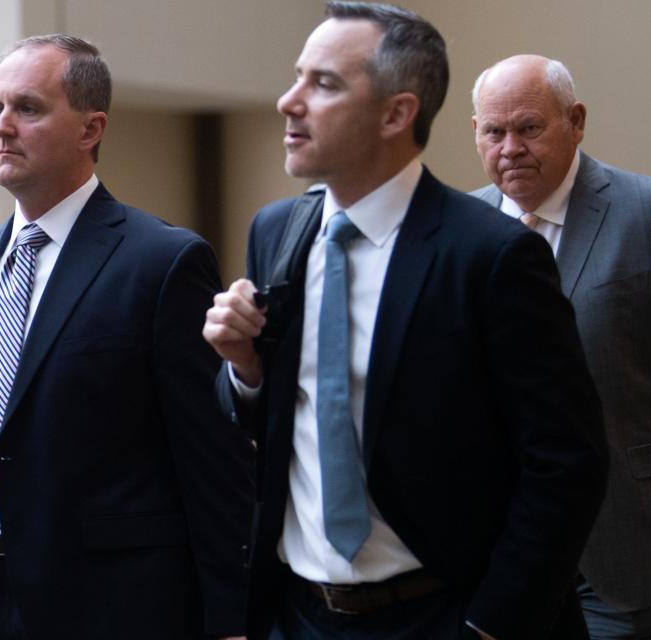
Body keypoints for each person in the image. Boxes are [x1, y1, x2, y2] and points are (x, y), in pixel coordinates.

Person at [203, 4, 608, 639]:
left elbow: (568, 462)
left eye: (325, 83)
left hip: (444, 613)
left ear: (397, 113)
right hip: (298, 614)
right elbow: (275, 419)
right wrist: (245, 371)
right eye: (296, 76)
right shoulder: (276, 231)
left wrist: (490, 626)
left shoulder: (492, 254)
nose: (289, 101)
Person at [0, 34, 253, 640]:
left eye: (27, 109)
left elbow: (210, 457)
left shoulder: (162, 262)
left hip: (112, 609)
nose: (2, 127)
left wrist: (231, 620)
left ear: (91, 129)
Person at [470, 54, 651, 640]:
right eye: (494, 131)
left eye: (529, 128)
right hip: (499, 548)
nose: (510, 147)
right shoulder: (461, 229)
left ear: (576, 120)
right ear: (476, 133)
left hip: (626, 544)